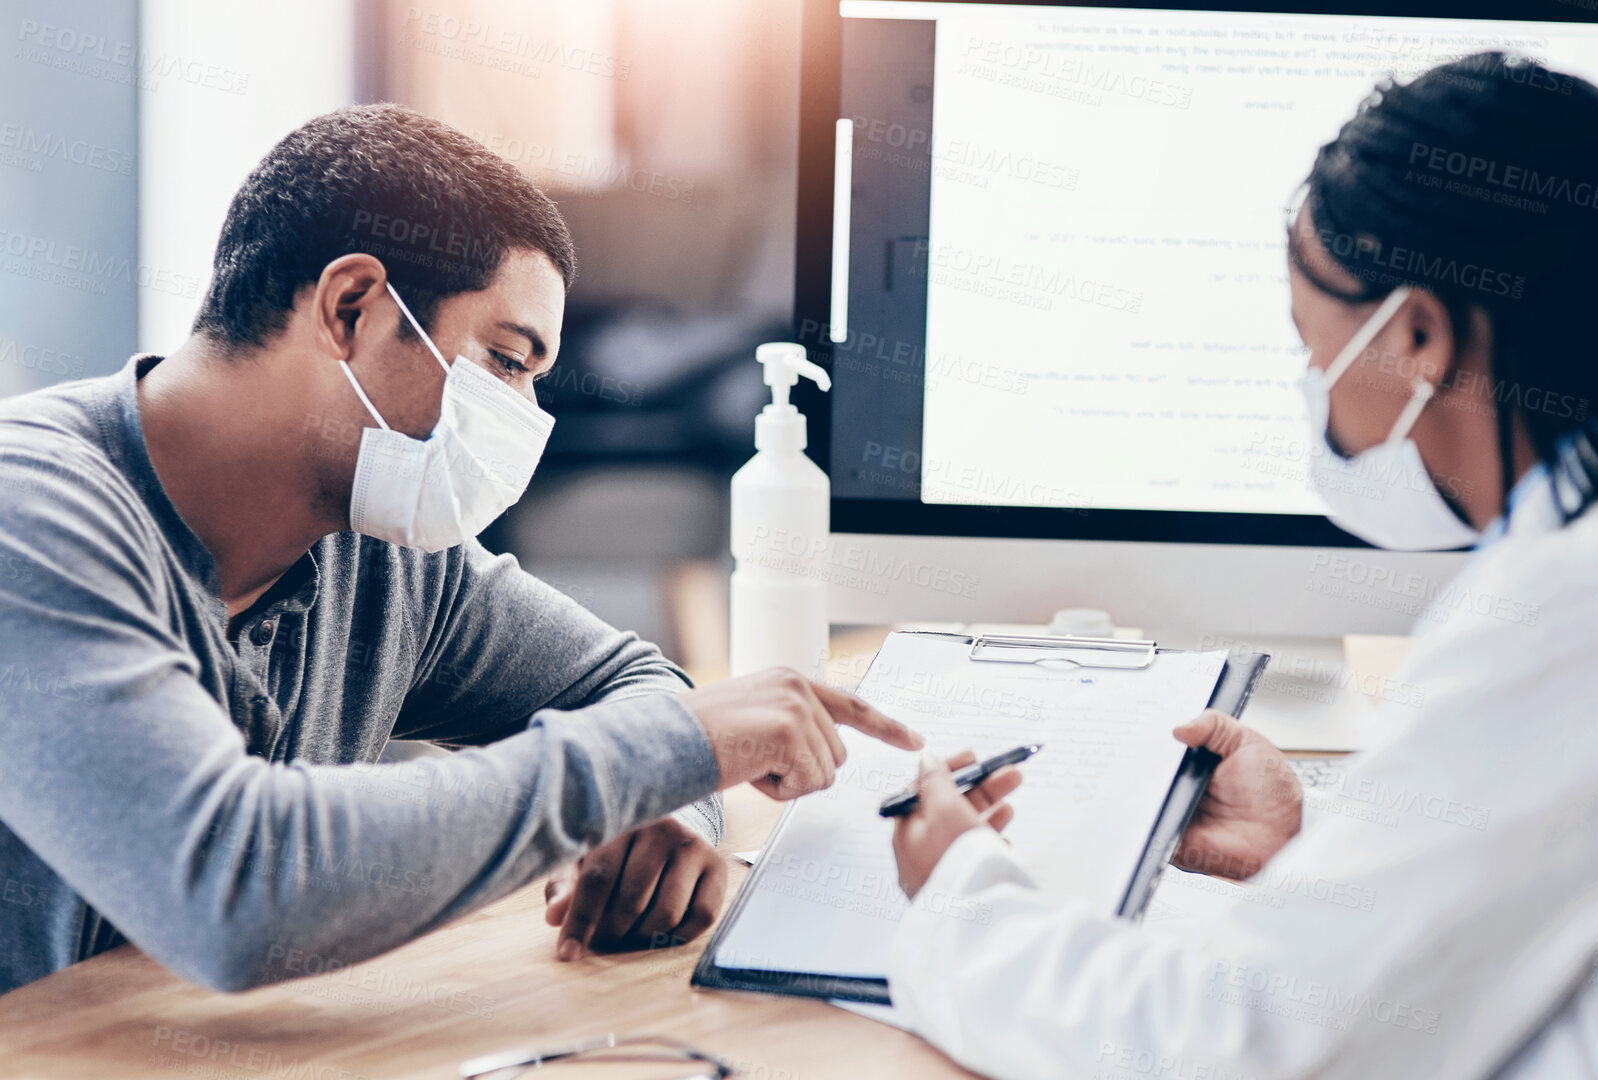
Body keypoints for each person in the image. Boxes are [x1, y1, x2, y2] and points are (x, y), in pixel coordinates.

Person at [887, 54, 1598, 1079]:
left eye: (1314, 349)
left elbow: (1232, 1045)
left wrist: (959, 897)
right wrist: (1320, 850)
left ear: (1420, 336)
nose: (1314, 391)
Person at [0, 104, 921, 996]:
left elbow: (629, 685)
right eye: (508, 362)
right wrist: (661, 752)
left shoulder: (382, 550)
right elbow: (232, 888)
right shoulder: (32, 511)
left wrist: (664, 810)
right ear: (351, 307)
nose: (523, 417)